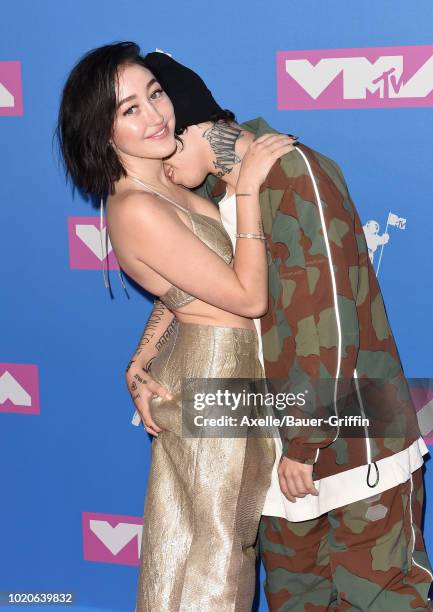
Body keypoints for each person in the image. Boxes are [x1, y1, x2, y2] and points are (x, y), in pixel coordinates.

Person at [125, 51, 433, 610]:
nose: (163, 172)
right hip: (276, 454)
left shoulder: (296, 171)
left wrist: (307, 444)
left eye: (167, 151)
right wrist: (141, 364)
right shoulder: (220, 198)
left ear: (193, 124)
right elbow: (194, 298)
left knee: (384, 600)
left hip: (351, 444)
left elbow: (331, 321)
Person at [57, 42, 297, 611]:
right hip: (215, 376)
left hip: (222, 369)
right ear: (102, 132)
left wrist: (138, 361)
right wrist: (247, 189)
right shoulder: (134, 207)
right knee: (218, 553)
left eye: (155, 94)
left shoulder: (166, 186)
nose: (157, 114)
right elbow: (247, 296)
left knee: (200, 543)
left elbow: (183, 289)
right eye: (129, 110)